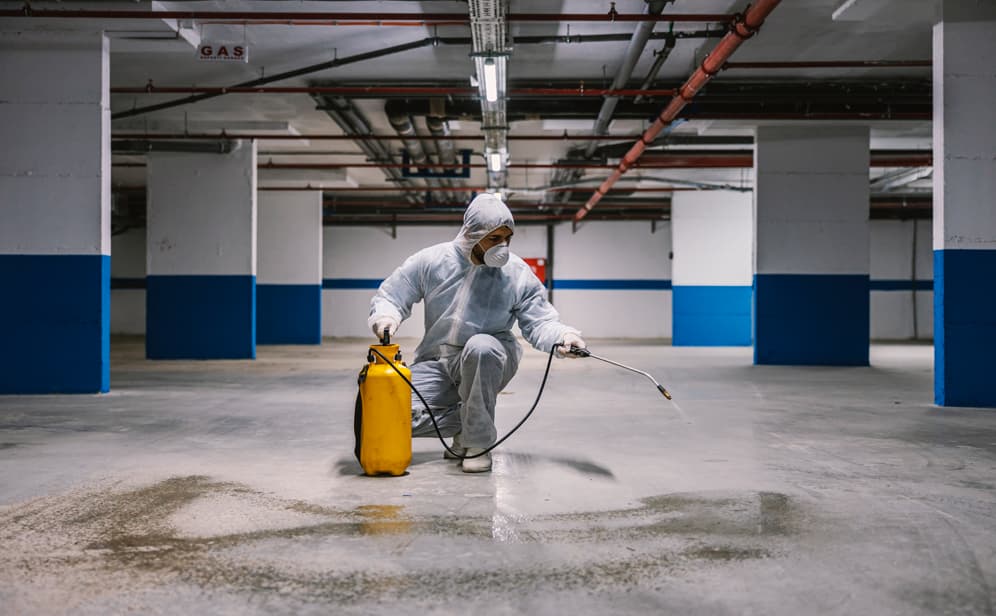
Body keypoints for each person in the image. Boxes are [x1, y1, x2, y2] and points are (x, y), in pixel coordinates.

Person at [368, 193, 586, 473]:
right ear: (472, 233)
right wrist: (387, 315)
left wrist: (563, 337)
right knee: (390, 413)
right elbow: (394, 292)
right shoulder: (432, 261)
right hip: (438, 361)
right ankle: (469, 422)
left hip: (490, 357)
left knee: (481, 346)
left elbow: (540, 321)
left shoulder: (517, 273)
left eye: (508, 239)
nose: (503, 247)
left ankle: (478, 443)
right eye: (495, 239)